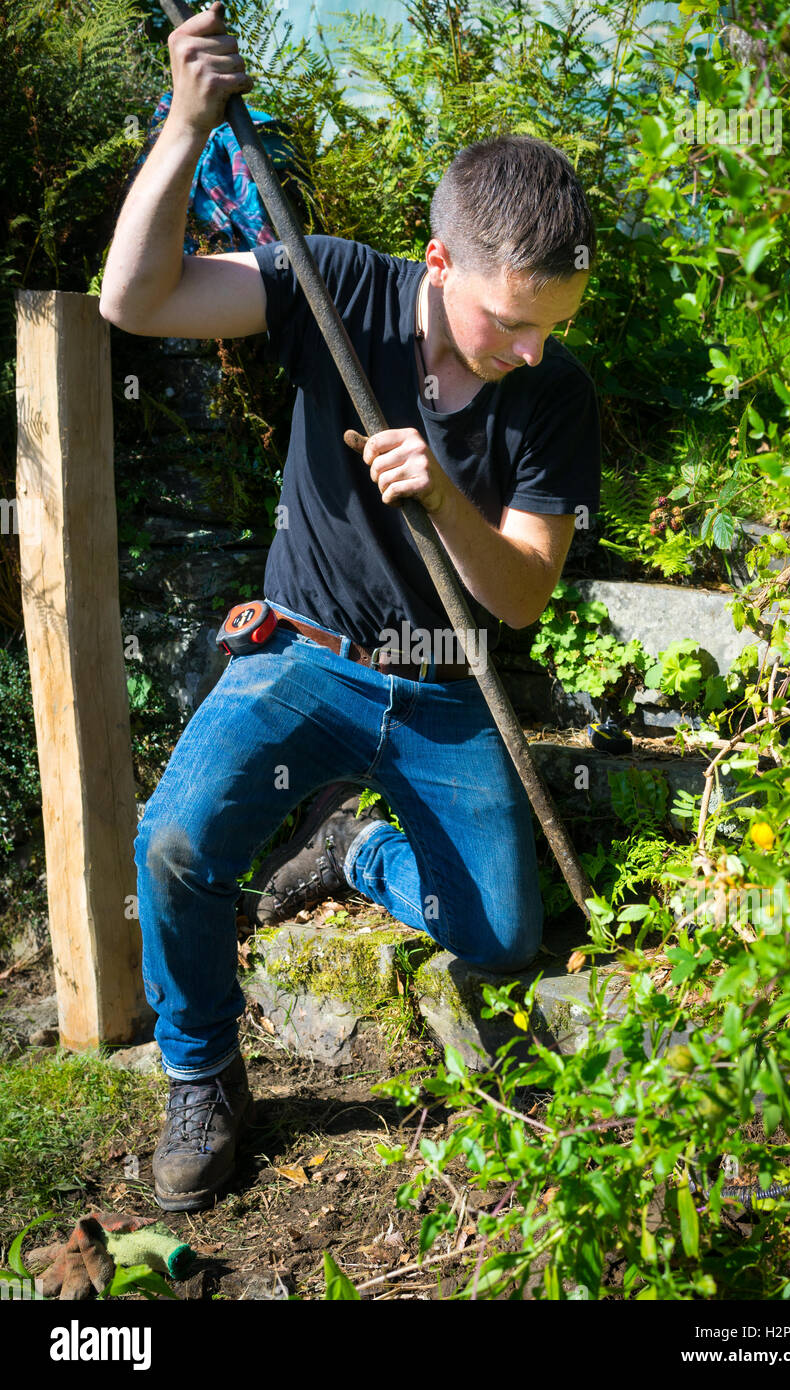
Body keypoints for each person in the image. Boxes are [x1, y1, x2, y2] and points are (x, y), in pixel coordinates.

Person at [99, 1, 600, 1212]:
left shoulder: (553, 395)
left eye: (552, 328)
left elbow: (522, 596)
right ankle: (203, 1071)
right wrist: (181, 124)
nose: (530, 351)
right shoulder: (335, 287)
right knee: (173, 843)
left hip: (447, 691)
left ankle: (357, 849)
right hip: (303, 658)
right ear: (439, 264)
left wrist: (448, 504)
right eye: (511, 321)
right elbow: (137, 299)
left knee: (494, 942)